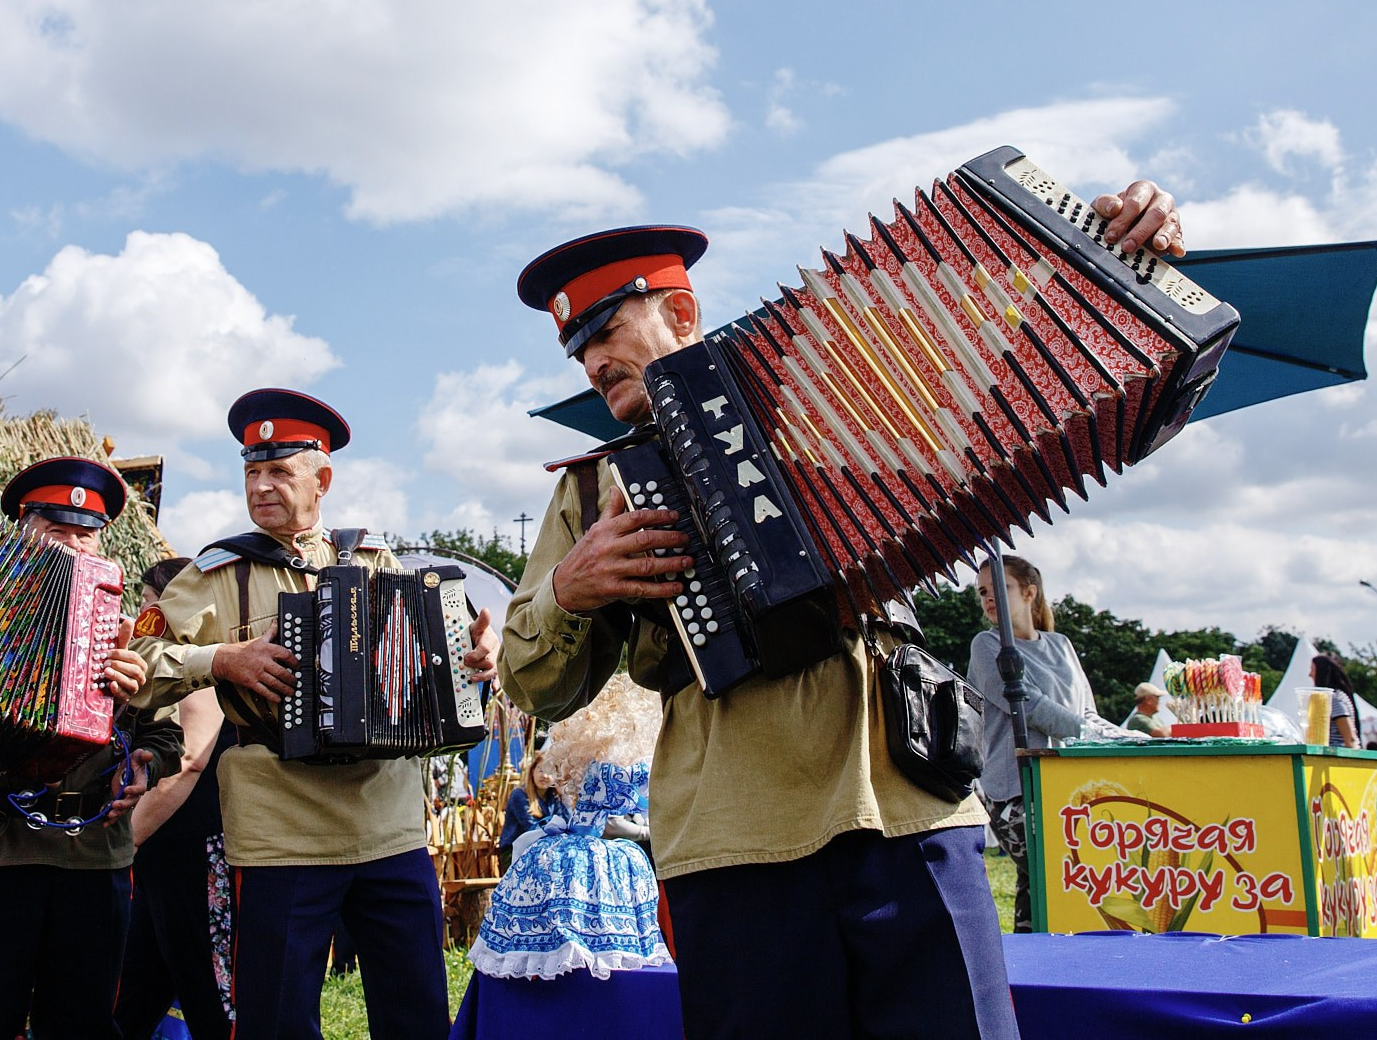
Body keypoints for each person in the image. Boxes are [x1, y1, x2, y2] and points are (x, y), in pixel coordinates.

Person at [498, 181, 1182, 1040]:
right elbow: (529, 683)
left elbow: (1049, 376)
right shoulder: (594, 486)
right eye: (578, 352)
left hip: (909, 803)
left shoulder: (846, 369)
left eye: (605, 331)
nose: (592, 364)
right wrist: (571, 587)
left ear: (679, 307)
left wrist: (1122, 268)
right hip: (734, 836)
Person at [126, 389, 502, 1040]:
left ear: (322, 478)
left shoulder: (378, 559)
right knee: (274, 1018)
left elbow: (450, 669)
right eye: (252, 471)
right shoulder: (217, 573)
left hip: (388, 823)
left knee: (415, 1011)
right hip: (279, 828)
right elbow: (135, 666)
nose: (262, 486)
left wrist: (479, 661)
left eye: (280, 471)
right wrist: (221, 660)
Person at [0, 457, 169, 1040]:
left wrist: (146, 762)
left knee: (83, 1024)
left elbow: (164, 731)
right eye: (56, 532)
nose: (72, 549)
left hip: (90, 858)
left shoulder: (131, 629)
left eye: (85, 536)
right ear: (21, 531)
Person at [470, 672, 670, 980]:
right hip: (583, 846)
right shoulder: (617, 767)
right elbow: (637, 795)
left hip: (574, 842)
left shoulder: (596, 761)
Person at [116, 557, 238, 1040]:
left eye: (151, 603)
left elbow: (186, 762)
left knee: (210, 994)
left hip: (193, 853)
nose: (144, 613)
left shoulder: (196, 654)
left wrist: (124, 845)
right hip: (164, 854)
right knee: (136, 990)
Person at [969, 556, 1114, 932]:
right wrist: (1090, 733)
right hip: (1013, 785)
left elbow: (1087, 711)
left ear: (1029, 592)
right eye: (982, 592)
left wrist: (1122, 737)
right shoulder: (986, 645)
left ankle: (1028, 966)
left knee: (1039, 883)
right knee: (1045, 868)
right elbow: (1029, 704)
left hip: (1066, 784)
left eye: (998, 589)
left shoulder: (1061, 645)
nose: (988, 599)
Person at [496, 754, 558, 875]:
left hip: (545, 850)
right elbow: (532, 829)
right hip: (516, 851)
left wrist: (563, 795)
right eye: (541, 770)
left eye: (550, 772)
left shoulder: (554, 798)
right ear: (532, 771)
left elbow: (568, 824)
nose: (545, 776)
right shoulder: (519, 795)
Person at [1310, 653, 1363, 748]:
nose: (1310, 674)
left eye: (1312, 669)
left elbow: (1350, 738)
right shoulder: (1336, 696)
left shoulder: (1333, 698)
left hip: (1337, 757)